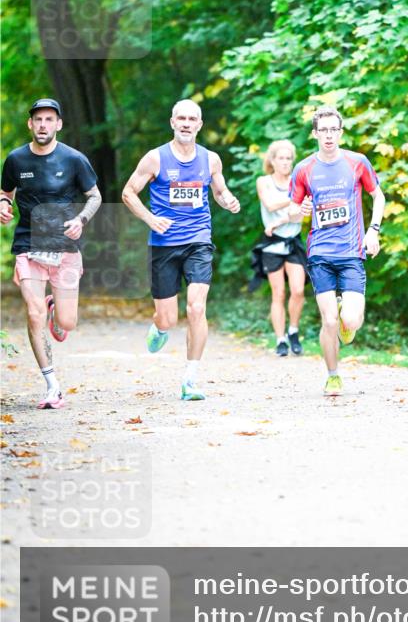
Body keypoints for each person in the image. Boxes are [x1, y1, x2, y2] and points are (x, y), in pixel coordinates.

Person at [121, 99, 240, 402]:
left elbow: (219, 190)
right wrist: (150, 219)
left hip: (199, 239)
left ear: (200, 124)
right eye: (181, 118)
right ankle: (159, 327)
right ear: (172, 122)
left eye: (192, 119)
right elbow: (128, 192)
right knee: (168, 319)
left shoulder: (211, 159)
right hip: (164, 244)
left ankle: (190, 379)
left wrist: (228, 200)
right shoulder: (155, 158)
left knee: (197, 308)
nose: (187, 123)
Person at [0, 98, 101, 409]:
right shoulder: (16, 160)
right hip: (28, 245)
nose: (43, 125)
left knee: (67, 323)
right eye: (38, 119)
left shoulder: (74, 159)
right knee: (34, 314)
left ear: (58, 124)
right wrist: (4, 205)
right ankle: (52, 385)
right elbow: (5, 192)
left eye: (49, 120)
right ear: (30, 124)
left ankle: (57, 308)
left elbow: (94, 196)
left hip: (65, 247)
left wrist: (81, 219)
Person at [287, 106, 385, 396]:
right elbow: (292, 211)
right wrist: (300, 210)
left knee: (350, 321)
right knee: (328, 320)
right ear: (315, 133)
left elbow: (378, 196)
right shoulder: (304, 168)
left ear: (340, 132)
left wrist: (374, 230)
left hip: (352, 252)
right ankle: (333, 376)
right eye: (323, 130)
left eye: (334, 130)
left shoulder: (357, 162)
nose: (328, 135)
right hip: (320, 254)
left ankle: (347, 317)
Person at [255, 140, 308, 357]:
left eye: (289, 158)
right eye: (281, 158)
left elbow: (300, 214)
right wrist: (294, 199)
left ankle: (293, 330)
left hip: (293, 240)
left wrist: (282, 218)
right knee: (279, 293)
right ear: (272, 161)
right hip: (272, 243)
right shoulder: (264, 181)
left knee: (298, 290)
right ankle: (280, 340)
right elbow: (269, 204)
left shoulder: (298, 182)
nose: (285, 162)